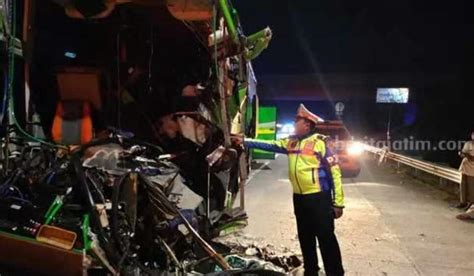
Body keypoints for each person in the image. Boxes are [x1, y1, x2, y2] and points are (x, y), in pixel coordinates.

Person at [232, 104, 345, 276]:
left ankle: (335, 273)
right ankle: (310, 271)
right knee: (305, 239)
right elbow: (270, 145)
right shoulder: (291, 142)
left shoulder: (321, 143)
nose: (294, 123)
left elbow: (335, 173)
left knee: (326, 239)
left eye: (296, 121)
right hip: (299, 199)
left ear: (307, 124)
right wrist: (245, 141)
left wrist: (338, 203)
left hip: (319, 199)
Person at [456, 131, 474, 211]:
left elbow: (472, 158)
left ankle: (471, 203)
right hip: (464, 166)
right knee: (462, 184)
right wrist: (461, 154)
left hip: (472, 169)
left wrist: (466, 154)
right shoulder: (468, 143)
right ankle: (463, 202)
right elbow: (464, 154)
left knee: (471, 187)